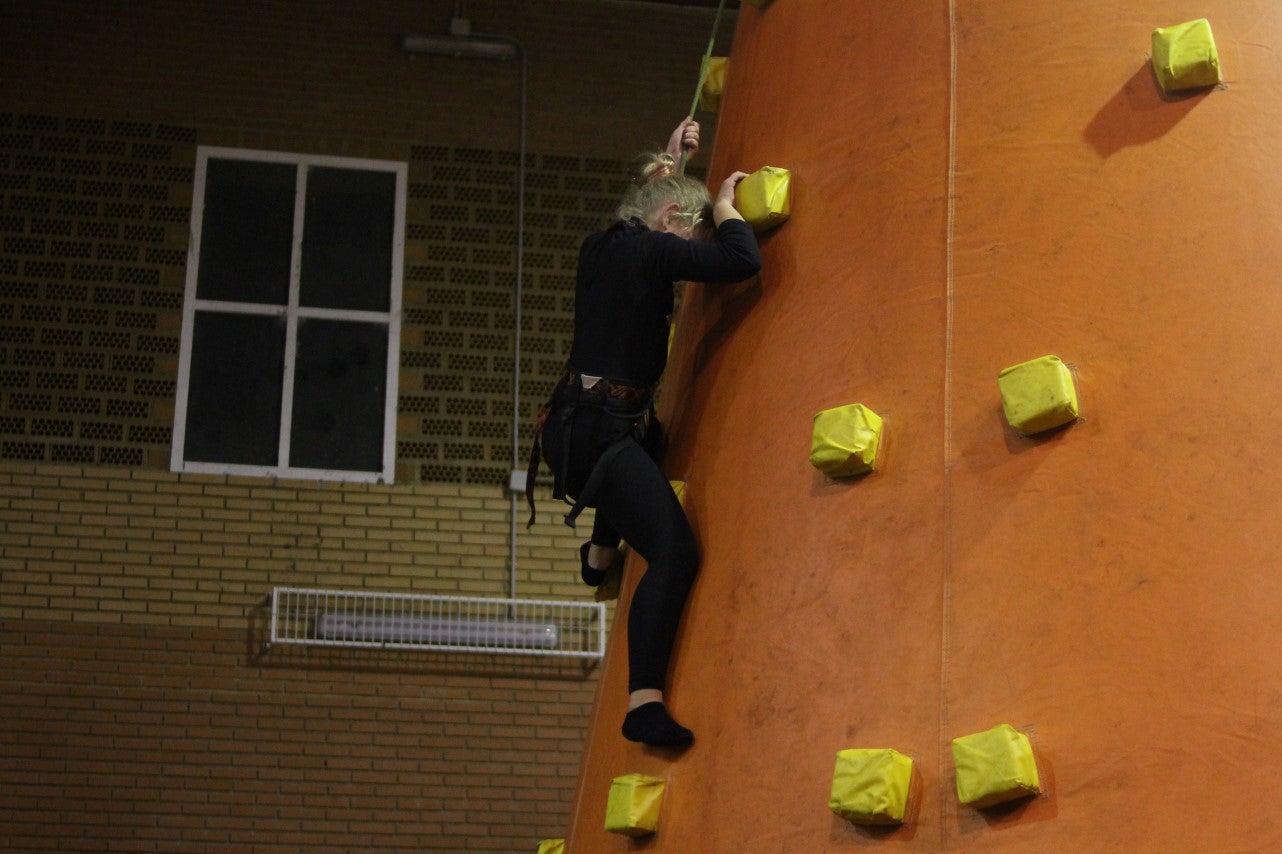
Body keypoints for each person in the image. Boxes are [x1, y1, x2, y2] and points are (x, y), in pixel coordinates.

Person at [526, 118, 762, 747]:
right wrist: (725, 206)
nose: (690, 252)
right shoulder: (657, 250)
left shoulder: (601, 246)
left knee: (652, 442)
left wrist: (673, 163)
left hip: (576, 428)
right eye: (691, 235)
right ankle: (644, 704)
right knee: (676, 552)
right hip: (600, 439)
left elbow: (650, 202)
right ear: (672, 222)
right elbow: (741, 259)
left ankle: (599, 557)